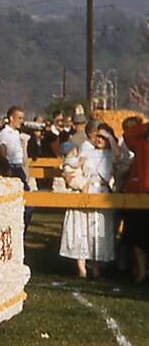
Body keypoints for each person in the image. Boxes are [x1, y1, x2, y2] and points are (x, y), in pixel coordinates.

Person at [60, 120, 119, 279]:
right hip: (86, 191)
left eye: (103, 137)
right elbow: (71, 166)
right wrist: (80, 182)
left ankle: (96, 267)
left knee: (98, 231)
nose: (99, 140)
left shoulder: (110, 154)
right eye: (98, 136)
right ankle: (82, 268)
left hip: (102, 192)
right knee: (82, 229)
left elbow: (119, 156)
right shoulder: (85, 151)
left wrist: (110, 137)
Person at [119, 114, 148, 285]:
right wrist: (146, 126)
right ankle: (141, 272)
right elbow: (128, 135)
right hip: (139, 192)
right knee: (138, 236)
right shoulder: (141, 143)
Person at [0, 106, 33, 229]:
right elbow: (2, 154)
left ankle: (22, 228)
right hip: (11, 170)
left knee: (28, 201)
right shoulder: (3, 135)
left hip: (19, 168)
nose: (21, 121)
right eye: (19, 118)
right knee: (24, 202)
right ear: (11, 118)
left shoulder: (17, 134)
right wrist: (7, 171)